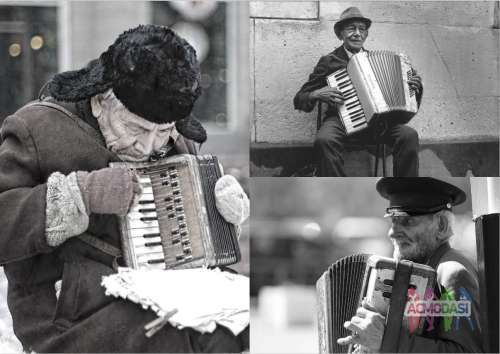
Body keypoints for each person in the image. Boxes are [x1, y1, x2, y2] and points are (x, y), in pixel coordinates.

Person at [0, 25, 249, 353]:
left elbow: (194, 236)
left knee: (238, 326)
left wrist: (223, 212)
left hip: (169, 291)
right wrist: (82, 194)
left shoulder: (177, 138)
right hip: (69, 305)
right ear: (103, 100)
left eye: (162, 132)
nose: (148, 146)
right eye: (135, 129)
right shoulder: (35, 128)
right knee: (168, 341)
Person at [338, 177, 483, 352]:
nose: (392, 233)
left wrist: (385, 341)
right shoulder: (418, 270)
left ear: (441, 225)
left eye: (407, 221)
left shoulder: (453, 275)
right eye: (393, 221)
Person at [293, 7, 423, 177]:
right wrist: (316, 94)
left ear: (366, 35)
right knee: (324, 140)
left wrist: (415, 88)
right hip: (340, 120)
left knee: (409, 135)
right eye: (351, 28)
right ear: (340, 35)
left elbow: (406, 103)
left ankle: (405, 190)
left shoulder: (377, 59)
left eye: (361, 29)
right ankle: (339, 191)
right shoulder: (329, 62)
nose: (357, 33)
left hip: (378, 123)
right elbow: (299, 98)